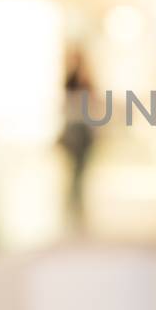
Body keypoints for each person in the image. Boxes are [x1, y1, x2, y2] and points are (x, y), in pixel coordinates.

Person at [58, 50, 97, 229]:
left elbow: (91, 105)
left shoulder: (85, 81)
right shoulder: (70, 80)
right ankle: (72, 211)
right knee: (74, 174)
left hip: (82, 132)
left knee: (79, 174)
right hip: (75, 131)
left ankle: (77, 211)